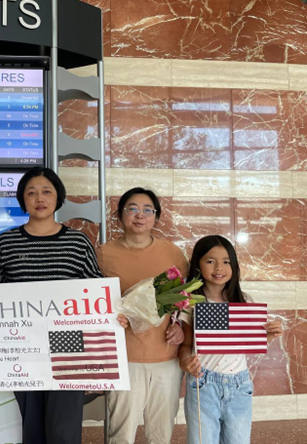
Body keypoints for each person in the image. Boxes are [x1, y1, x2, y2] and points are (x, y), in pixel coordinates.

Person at [0, 166, 104, 444]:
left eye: (46, 191)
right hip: (22, 345)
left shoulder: (78, 241)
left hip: (68, 348)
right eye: (31, 193)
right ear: (22, 199)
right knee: (32, 429)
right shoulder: (6, 241)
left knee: (64, 431)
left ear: (58, 197)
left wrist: (113, 317)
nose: (39, 198)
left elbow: (95, 290)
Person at [96, 187, 188, 444]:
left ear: (156, 217)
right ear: (119, 215)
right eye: (132, 209)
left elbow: (185, 297)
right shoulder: (103, 255)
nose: (140, 215)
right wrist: (111, 316)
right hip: (124, 357)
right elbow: (92, 300)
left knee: (161, 433)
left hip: (167, 356)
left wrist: (180, 325)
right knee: (121, 433)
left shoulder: (172, 253)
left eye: (148, 210)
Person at [179, 235, 282, 444]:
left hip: (239, 384)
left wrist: (268, 336)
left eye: (226, 262)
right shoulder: (192, 303)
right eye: (210, 261)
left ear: (234, 266)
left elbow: (247, 343)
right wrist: (185, 362)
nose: (219, 268)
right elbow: (186, 344)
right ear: (197, 264)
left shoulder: (242, 302)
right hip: (203, 383)